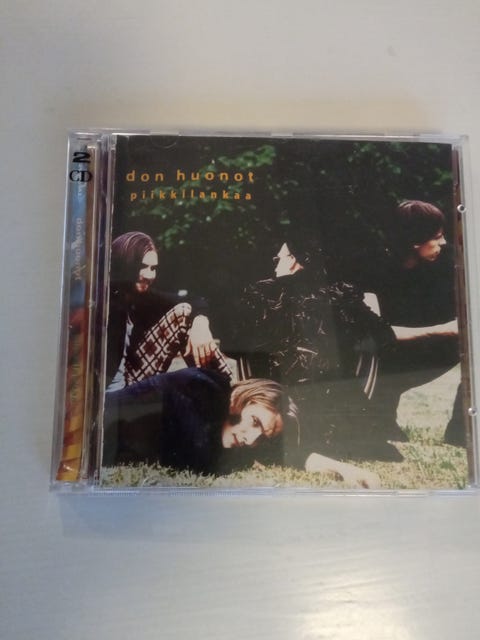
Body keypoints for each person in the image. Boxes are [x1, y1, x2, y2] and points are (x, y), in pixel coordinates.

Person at [236, 238, 399, 461]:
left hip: (273, 401)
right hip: (333, 410)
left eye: (278, 259)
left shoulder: (264, 295)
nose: (275, 265)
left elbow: (236, 345)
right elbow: (384, 336)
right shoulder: (339, 297)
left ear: (293, 261)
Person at [102, 367, 381, 489]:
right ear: (246, 398)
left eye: (263, 437)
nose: (252, 439)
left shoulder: (241, 428)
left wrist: (346, 470)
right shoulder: (202, 386)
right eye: (256, 422)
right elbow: (201, 458)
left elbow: (290, 455)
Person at [359, 200, 464, 445]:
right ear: (415, 242)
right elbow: (372, 332)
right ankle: (379, 416)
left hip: (424, 343)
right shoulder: (374, 269)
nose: (443, 242)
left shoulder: (447, 263)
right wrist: (446, 330)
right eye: (437, 237)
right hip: (382, 349)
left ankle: (461, 430)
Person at [106, 231, 231, 390]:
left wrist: (201, 323)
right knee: (181, 382)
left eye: (153, 268)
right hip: (104, 396)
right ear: (126, 264)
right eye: (142, 266)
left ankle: (227, 389)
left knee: (183, 313)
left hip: (129, 382)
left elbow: (193, 301)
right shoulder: (102, 300)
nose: (149, 275)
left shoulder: (143, 297)